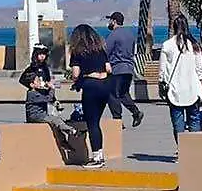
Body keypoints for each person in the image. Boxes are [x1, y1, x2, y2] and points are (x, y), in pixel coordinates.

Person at [19, 45, 79, 157]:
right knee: (55, 119)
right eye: (39, 54)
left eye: (44, 54)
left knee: (55, 120)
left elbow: (50, 86)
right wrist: (37, 85)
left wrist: (53, 94)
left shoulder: (45, 68)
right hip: (35, 112)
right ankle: (71, 131)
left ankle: (64, 142)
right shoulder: (32, 70)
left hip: (44, 107)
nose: (42, 57)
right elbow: (23, 80)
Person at [159, 14, 202, 148]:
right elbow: (200, 69)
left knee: (177, 121)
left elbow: (162, 71)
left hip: (175, 90)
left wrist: (161, 85)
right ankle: (193, 149)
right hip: (193, 89)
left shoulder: (167, 45)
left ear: (174, 27)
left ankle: (182, 149)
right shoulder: (194, 45)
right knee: (194, 119)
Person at [69, 24, 113, 169]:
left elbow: (75, 73)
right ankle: (100, 154)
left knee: (92, 123)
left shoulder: (78, 51)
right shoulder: (99, 49)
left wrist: (77, 80)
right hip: (105, 85)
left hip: (91, 86)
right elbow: (108, 68)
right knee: (97, 122)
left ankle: (96, 158)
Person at [105, 12, 144, 128]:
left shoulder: (113, 35)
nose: (109, 23)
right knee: (122, 93)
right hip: (129, 69)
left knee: (112, 95)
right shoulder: (130, 35)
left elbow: (106, 52)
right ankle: (136, 112)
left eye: (110, 20)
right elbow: (132, 51)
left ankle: (117, 120)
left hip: (117, 69)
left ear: (114, 21)